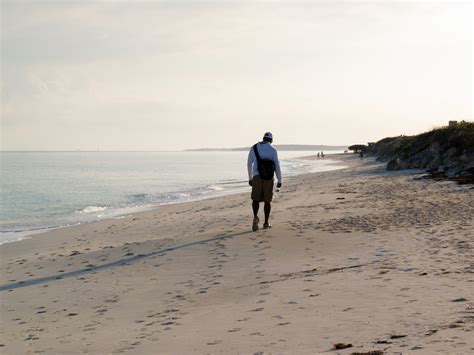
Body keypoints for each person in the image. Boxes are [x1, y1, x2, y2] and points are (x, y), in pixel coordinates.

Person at [247, 132, 282, 231]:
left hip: (257, 176)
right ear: (271, 140)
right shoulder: (273, 150)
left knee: (255, 199)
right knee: (267, 201)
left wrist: (250, 178)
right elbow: (277, 166)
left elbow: (249, 164)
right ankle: (266, 223)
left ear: (263, 138)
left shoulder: (254, 148)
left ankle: (255, 216)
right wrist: (279, 180)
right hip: (268, 178)